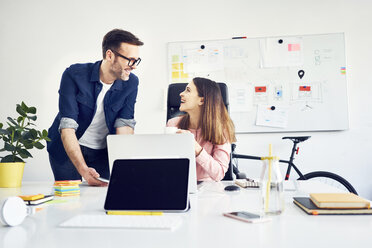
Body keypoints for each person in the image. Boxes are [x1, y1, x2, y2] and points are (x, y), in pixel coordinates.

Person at [47, 29, 143, 186]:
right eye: (130, 60)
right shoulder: (74, 74)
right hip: (66, 148)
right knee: (69, 199)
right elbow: (67, 127)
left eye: (136, 61)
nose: (134, 66)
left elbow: (124, 125)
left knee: (105, 195)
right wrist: (83, 168)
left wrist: (125, 166)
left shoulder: (131, 83)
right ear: (110, 55)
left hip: (102, 152)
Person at [167, 77, 236, 181]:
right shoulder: (173, 124)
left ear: (202, 100)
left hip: (207, 190)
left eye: (188, 90)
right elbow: (167, 164)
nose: (181, 93)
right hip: (179, 185)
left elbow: (219, 173)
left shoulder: (221, 129)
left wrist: (197, 148)